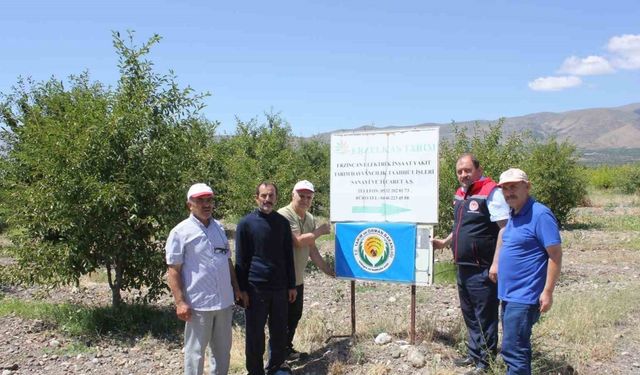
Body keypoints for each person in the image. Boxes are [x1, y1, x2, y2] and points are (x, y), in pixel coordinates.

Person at [432, 154, 510, 375]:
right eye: (459, 171)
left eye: (467, 170)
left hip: (483, 267)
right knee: (469, 313)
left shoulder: (491, 192)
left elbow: (504, 229)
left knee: (485, 315)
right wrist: (445, 242)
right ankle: (474, 355)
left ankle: (485, 363)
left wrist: (496, 264)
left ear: (478, 169)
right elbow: (460, 226)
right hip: (463, 265)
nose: (463, 175)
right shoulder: (461, 194)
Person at [165, 183, 242, 375]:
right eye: (200, 201)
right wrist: (180, 302)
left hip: (224, 302)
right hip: (197, 304)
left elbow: (227, 261)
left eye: (209, 200)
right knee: (195, 353)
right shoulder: (180, 232)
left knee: (222, 352)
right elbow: (173, 270)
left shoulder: (219, 228)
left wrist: (236, 288)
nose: (206, 205)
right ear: (189, 205)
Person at [495, 168, 562, 375]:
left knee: (513, 351)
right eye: (505, 188)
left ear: (527, 186)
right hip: (509, 294)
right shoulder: (514, 213)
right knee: (515, 349)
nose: (509, 192)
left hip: (524, 296)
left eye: (513, 187)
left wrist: (548, 291)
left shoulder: (540, 214)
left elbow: (555, 255)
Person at [235, 182, 297, 375]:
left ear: (276, 198)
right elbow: (241, 259)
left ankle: (276, 367)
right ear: (256, 198)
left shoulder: (282, 223)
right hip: (255, 288)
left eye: (271, 196)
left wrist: (291, 285)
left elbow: (288, 255)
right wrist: (242, 290)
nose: (267, 199)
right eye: (263, 196)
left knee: (279, 331)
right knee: (255, 334)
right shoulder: (246, 224)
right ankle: (255, 371)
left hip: (280, 287)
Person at [277, 180, 334, 360]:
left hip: (297, 279)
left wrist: (327, 269)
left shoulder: (309, 218)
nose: (305, 199)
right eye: (301, 195)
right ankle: (276, 358)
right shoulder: (284, 215)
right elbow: (298, 241)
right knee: (281, 319)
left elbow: (311, 248)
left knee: (294, 316)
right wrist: (321, 231)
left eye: (308, 197)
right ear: (293, 195)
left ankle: (286, 350)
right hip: (282, 279)